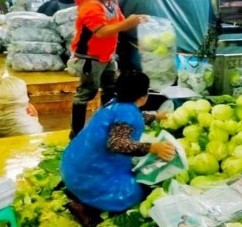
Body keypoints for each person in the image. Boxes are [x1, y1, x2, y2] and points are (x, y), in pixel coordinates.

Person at [60, 71, 176, 226]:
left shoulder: (113, 104)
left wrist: (156, 116)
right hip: (88, 179)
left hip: (72, 169)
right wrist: (153, 147)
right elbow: (116, 143)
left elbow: (129, 119)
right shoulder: (127, 112)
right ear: (144, 95)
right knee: (137, 192)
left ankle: (77, 195)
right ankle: (88, 210)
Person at [69, 0, 146, 139]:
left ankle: (105, 127)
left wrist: (137, 22)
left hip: (108, 56)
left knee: (110, 92)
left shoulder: (110, 4)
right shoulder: (90, 5)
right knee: (85, 94)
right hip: (90, 58)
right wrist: (128, 22)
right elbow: (101, 32)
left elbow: (120, 23)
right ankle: (76, 134)